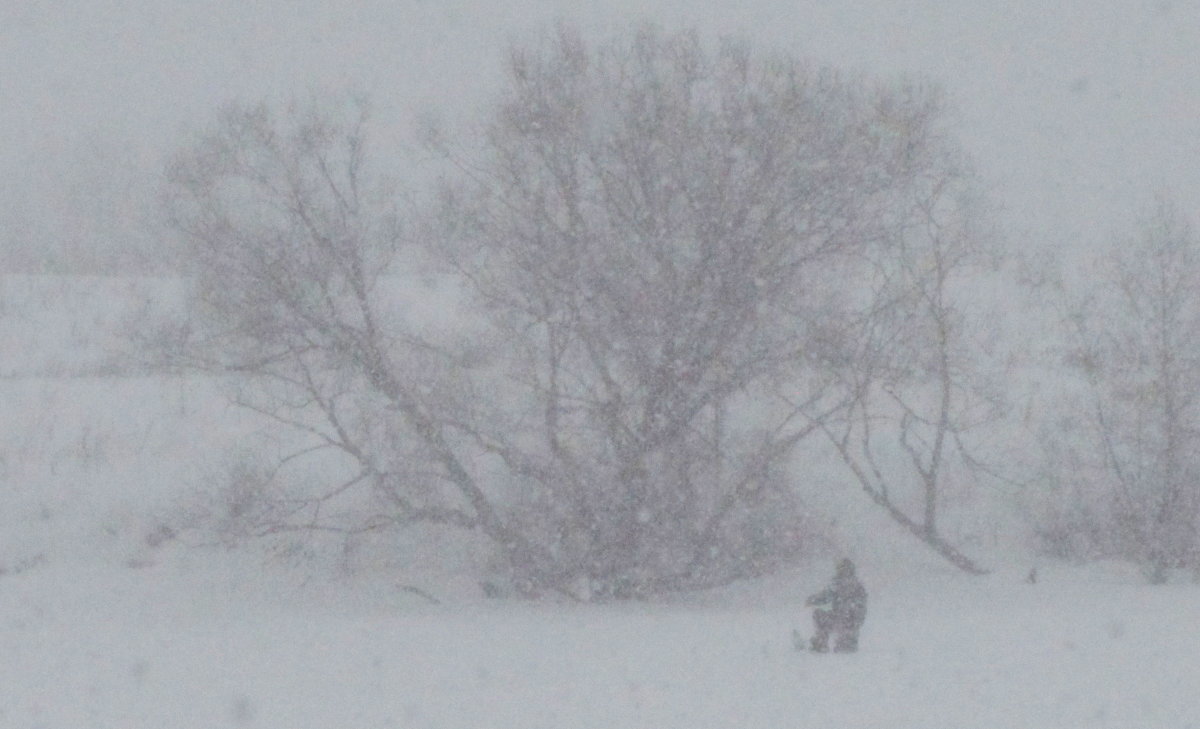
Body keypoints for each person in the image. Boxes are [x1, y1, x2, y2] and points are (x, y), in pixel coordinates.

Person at [805, 558, 868, 653]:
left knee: (820, 614)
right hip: (847, 619)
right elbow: (826, 595)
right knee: (820, 613)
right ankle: (840, 641)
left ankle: (823, 642)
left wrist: (813, 599)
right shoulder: (855, 585)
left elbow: (825, 596)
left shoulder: (844, 584)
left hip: (847, 618)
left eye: (841, 568)